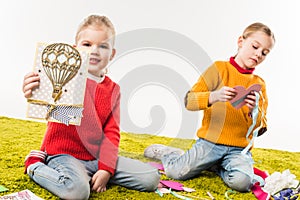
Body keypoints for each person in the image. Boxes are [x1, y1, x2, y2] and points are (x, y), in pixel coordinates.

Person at [23, 15, 160, 199]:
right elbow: (47, 104)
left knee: (151, 178)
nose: (94, 51)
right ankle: (35, 165)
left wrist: (106, 169)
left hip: (95, 158)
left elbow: (111, 133)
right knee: (78, 192)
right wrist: (32, 89)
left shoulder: (113, 90)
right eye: (87, 44)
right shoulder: (65, 78)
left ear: (111, 54)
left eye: (103, 46)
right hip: (64, 155)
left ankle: (89, 175)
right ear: (75, 49)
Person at [144, 22, 275, 192]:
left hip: (239, 149)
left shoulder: (259, 84)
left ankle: (215, 165)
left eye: (265, 53)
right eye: (255, 46)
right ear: (241, 41)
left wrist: (254, 111)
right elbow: (189, 101)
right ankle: (169, 153)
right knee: (176, 172)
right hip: (210, 143)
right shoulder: (218, 69)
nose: (258, 54)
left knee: (242, 183)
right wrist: (213, 96)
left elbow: (261, 127)